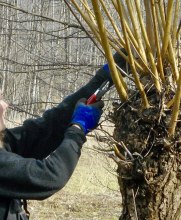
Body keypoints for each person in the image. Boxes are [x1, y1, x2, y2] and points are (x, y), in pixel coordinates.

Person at [0, 51, 127, 220]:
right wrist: (77, 129)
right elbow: (49, 175)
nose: (4, 105)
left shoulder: (5, 143)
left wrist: (110, 73)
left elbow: (49, 126)